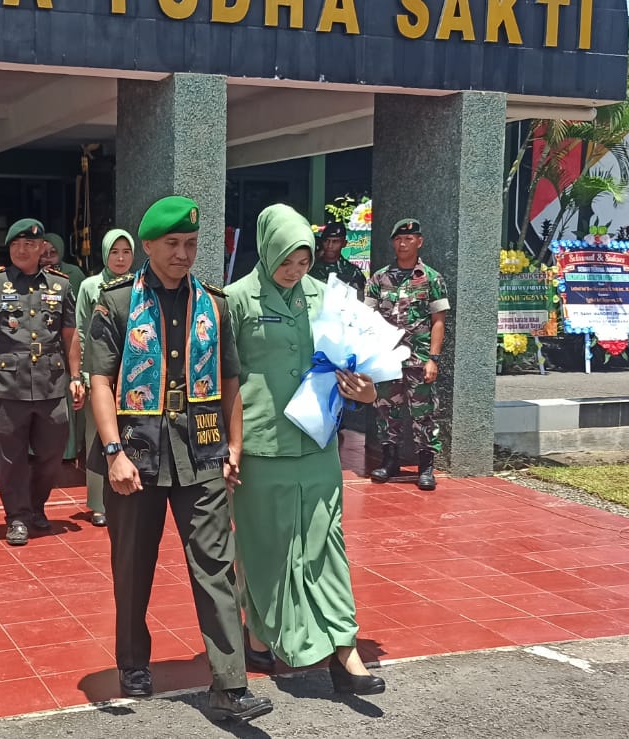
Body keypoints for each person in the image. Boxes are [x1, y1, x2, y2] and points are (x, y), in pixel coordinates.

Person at [86, 196, 272, 722]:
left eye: (190, 244)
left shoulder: (214, 304)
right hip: (136, 452)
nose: (183, 254)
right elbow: (99, 381)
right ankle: (132, 661)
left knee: (216, 566)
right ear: (147, 245)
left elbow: (231, 380)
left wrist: (234, 447)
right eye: (172, 244)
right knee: (132, 564)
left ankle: (230, 684)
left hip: (202, 449)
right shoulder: (117, 303)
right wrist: (113, 452)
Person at [227, 204, 385, 695]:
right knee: (264, 548)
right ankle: (258, 633)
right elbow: (224, 379)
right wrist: (230, 446)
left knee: (326, 544)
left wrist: (366, 390)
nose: (295, 271)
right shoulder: (236, 300)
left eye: (303, 261)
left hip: (318, 443)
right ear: (266, 249)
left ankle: (345, 650)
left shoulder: (328, 298)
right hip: (260, 445)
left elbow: (363, 364)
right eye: (286, 261)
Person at [0, 219, 85, 547]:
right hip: (8, 385)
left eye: (30, 244)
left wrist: (76, 377)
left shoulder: (60, 285)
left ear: (42, 248)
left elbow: (70, 335)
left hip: (51, 384)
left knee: (51, 454)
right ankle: (17, 516)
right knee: (12, 458)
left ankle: (36, 506)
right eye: (17, 244)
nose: (23, 250)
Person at [365, 218, 450, 491]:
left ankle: (426, 467)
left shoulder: (432, 278)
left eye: (409, 239)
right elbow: (366, 319)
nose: (403, 243)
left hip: (418, 359)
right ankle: (390, 461)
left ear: (419, 242)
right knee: (385, 411)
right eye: (399, 239)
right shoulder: (379, 279)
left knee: (423, 414)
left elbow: (438, 322)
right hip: (387, 359)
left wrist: (433, 359)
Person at [73, 229, 135, 528]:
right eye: (114, 252)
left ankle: (128, 493)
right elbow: (81, 330)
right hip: (98, 374)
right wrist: (84, 374)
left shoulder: (139, 284)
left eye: (126, 252)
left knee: (130, 435)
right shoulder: (90, 286)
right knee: (97, 437)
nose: (120, 258)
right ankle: (98, 503)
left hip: (131, 375)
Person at [40, 234, 89, 464]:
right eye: (44, 254)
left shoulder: (73, 274)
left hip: (68, 343)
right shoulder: (32, 275)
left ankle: (69, 449)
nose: (48, 259)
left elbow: (79, 310)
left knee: (68, 398)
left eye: (53, 253)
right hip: (43, 346)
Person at [307, 221, 366, 296]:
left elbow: (358, 299)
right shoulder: (309, 268)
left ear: (344, 243)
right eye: (326, 241)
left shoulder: (353, 272)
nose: (330, 246)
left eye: (335, 242)